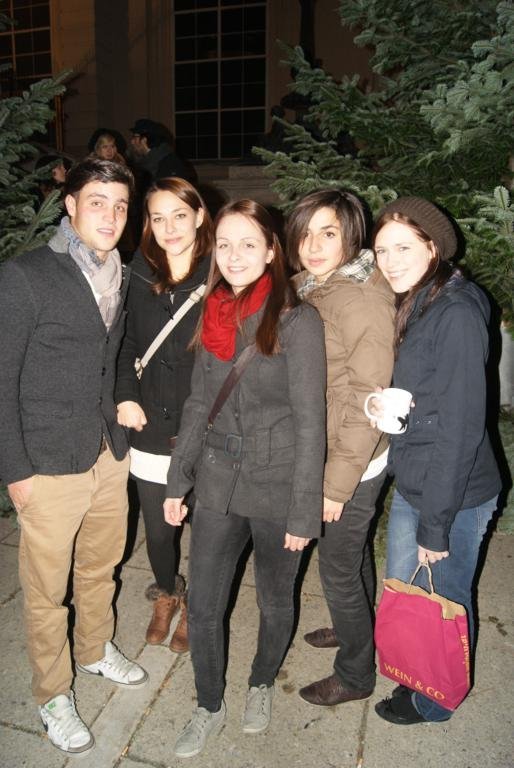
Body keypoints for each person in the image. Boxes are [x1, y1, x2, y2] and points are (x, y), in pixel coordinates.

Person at [164, 199, 327, 758]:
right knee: (203, 605)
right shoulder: (212, 311)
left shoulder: (298, 321)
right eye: (226, 244)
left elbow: (311, 422)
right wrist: (178, 479)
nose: (235, 256)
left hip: (278, 485)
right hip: (216, 481)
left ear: (272, 251)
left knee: (275, 600)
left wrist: (304, 511)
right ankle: (208, 704)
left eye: (249, 244)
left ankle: (261, 682)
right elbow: (199, 402)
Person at [0, 158, 148, 756]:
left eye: (120, 206)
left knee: (100, 565)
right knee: (45, 590)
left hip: (107, 452)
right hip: (46, 461)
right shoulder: (26, 276)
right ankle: (53, 694)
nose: (110, 216)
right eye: (97, 202)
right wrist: (15, 470)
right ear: (70, 205)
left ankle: (93, 648)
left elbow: (114, 356)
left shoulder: (123, 275)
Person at [368, 196, 501, 725]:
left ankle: (436, 700)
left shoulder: (457, 312)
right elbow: (431, 394)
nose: (390, 260)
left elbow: (461, 430)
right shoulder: (422, 300)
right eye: (381, 250)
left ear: (432, 247)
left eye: (403, 247)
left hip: (454, 494)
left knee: (445, 599)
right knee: (410, 591)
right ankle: (415, 674)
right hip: (419, 479)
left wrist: (436, 526)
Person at [285, 190, 395, 706]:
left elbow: (369, 400)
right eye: (305, 234)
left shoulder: (362, 299)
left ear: (350, 235)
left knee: (337, 569)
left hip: (352, 457)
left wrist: (335, 485)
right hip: (333, 447)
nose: (313, 246)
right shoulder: (316, 284)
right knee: (349, 558)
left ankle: (356, 674)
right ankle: (359, 628)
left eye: (327, 234)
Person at [115, 178, 214, 652]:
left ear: (199, 216)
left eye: (180, 215)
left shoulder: (221, 272)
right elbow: (126, 342)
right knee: (157, 528)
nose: (170, 227)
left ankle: (199, 604)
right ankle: (167, 591)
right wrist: (125, 395)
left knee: (206, 527)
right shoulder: (137, 271)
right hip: (150, 423)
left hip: (206, 425)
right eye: (158, 218)